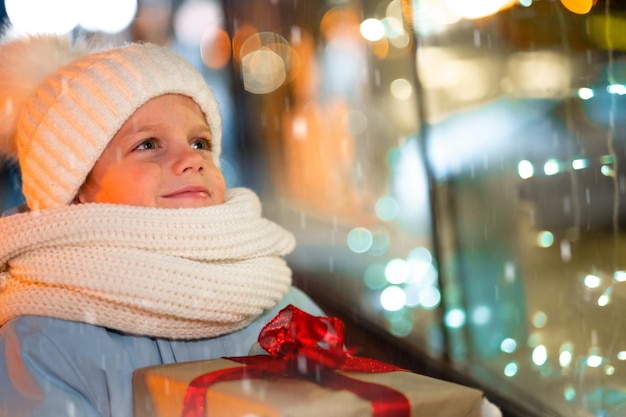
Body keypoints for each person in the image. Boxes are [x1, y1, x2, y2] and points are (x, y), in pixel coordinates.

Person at [0, 29, 323, 417]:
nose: (191, 159)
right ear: (74, 187)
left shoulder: (282, 306)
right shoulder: (44, 340)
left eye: (200, 142)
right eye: (149, 144)